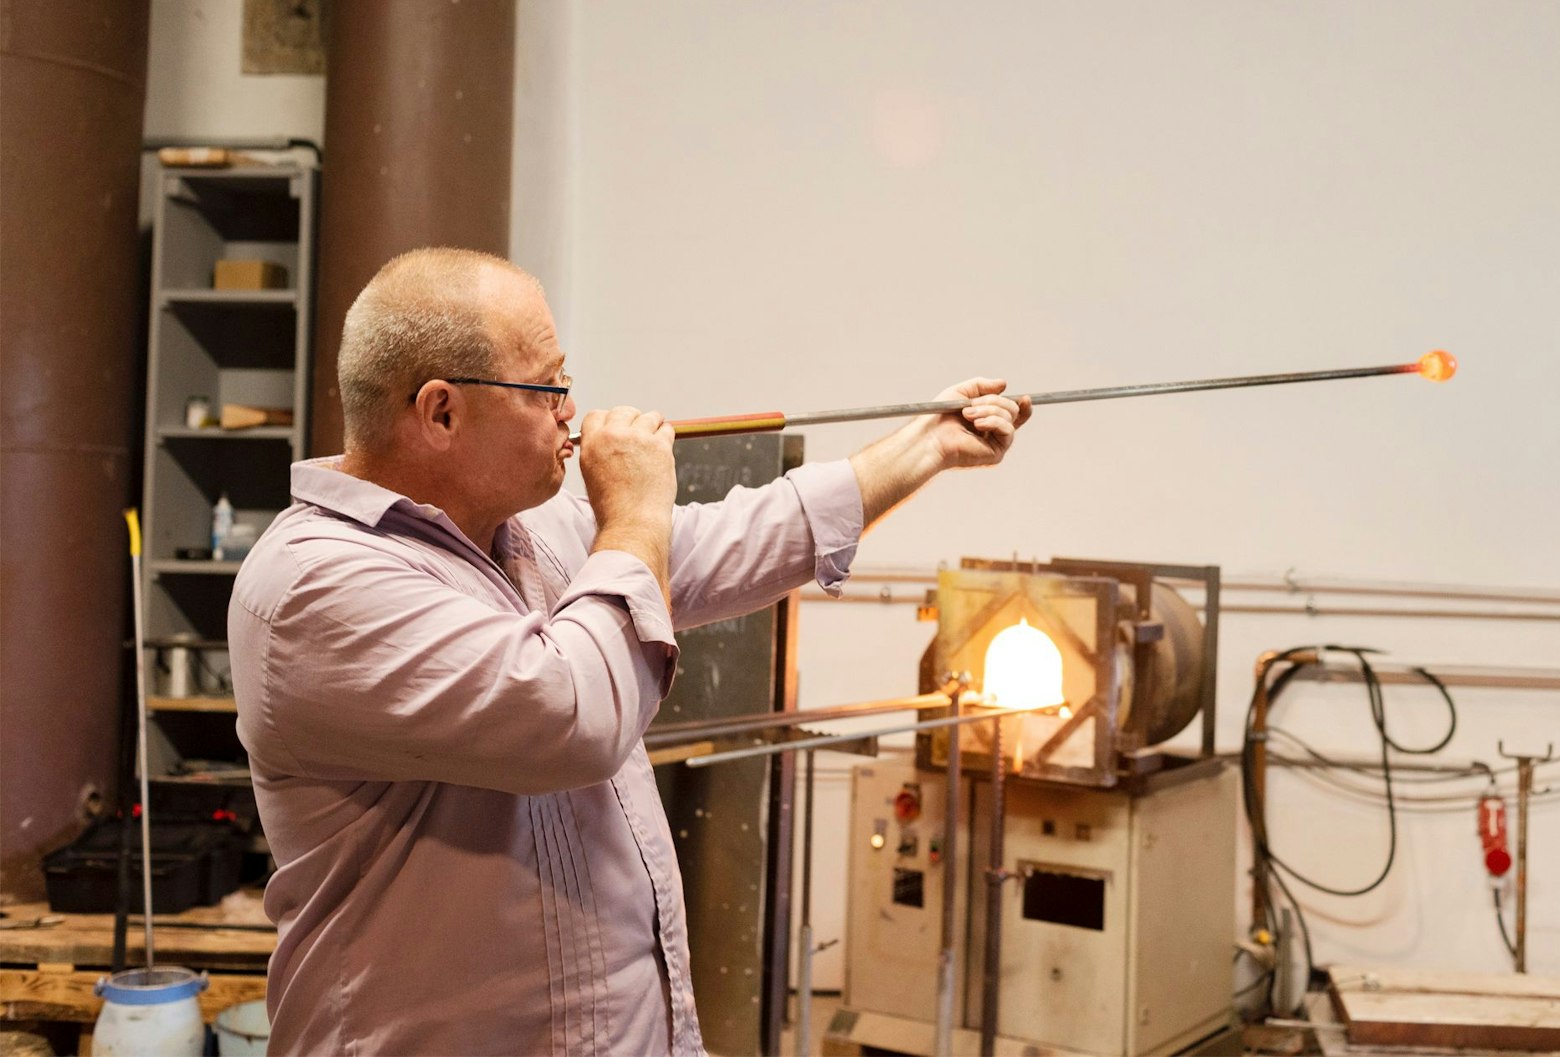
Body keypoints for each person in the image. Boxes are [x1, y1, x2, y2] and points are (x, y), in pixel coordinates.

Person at [227, 247, 1030, 1056]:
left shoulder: (529, 533)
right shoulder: (318, 584)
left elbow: (739, 537)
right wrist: (636, 511)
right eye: (549, 387)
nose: (573, 410)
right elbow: (571, 713)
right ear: (441, 412)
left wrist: (927, 446)